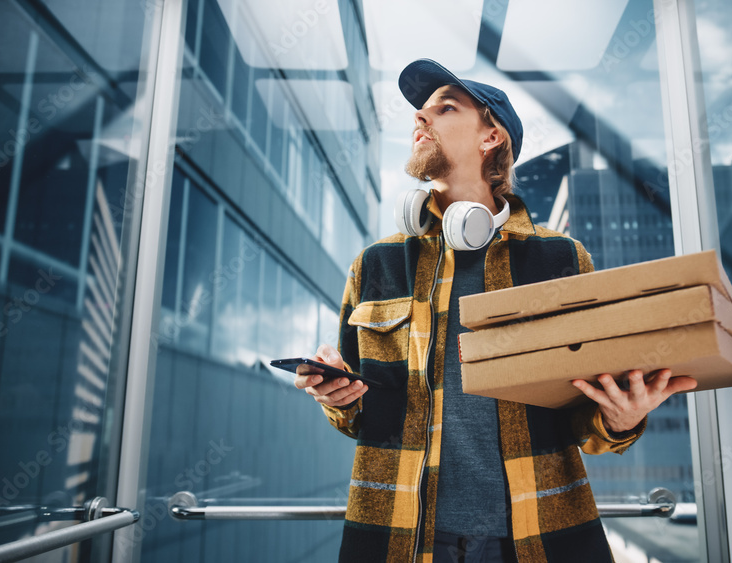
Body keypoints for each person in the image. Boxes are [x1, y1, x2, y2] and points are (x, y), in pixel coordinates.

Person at [294, 59, 697, 563]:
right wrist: (338, 395)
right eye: (419, 111)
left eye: (444, 107)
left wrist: (620, 419)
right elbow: (362, 416)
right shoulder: (375, 263)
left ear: (492, 137)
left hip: (539, 538)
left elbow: (583, 418)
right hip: (398, 536)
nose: (420, 118)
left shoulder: (562, 259)